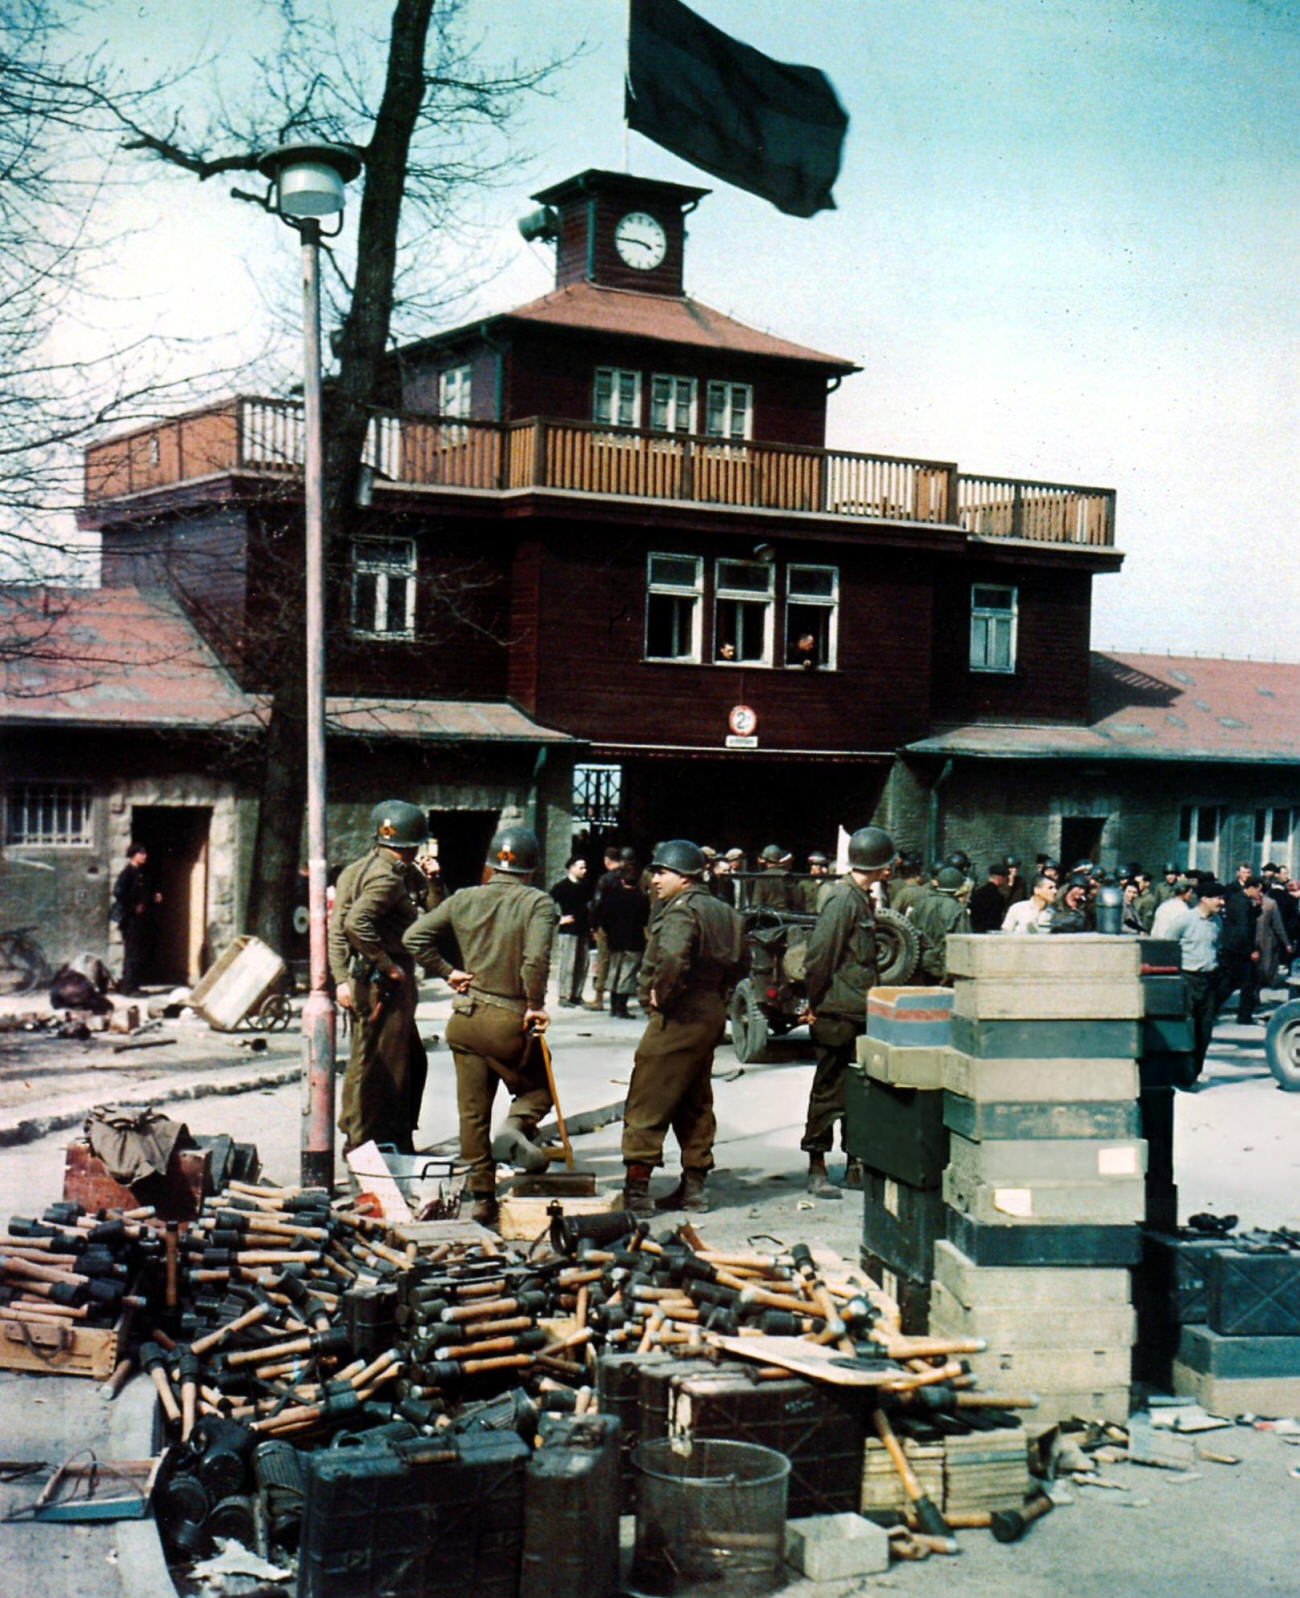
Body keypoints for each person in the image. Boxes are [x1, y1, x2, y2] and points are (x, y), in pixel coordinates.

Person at [404, 825, 558, 1226]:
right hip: (509, 1020)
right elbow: (535, 960)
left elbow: (415, 937)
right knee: (539, 1091)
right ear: (531, 868)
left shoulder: (464, 898)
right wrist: (535, 1005)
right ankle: (514, 1127)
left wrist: (447, 972)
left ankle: (483, 1199)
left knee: (471, 1114)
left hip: (466, 1019)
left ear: (491, 864)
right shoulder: (538, 903)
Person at [620, 840, 744, 1215]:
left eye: (662, 872)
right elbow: (741, 963)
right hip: (710, 1011)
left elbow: (672, 956)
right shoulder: (726, 912)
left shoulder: (680, 912)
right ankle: (694, 1190)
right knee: (694, 1099)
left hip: (679, 1012)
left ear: (685, 876)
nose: (654, 879)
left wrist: (662, 994)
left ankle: (637, 1192)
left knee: (648, 1096)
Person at [328, 800, 434, 1157]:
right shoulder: (387, 878)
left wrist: (341, 977)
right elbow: (352, 925)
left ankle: (391, 1135)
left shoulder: (363, 871)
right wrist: (386, 964)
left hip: (371, 977)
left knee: (407, 1060)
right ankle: (366, 1144)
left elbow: (434, 906)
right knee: (378, 1067)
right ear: (411, 843)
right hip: (382, 982)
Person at [800, 826, 894, 1197]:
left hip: (857, 1013)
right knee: (828, 1091)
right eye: (887, 864)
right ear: (876, 864)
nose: (891, 870)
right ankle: (817, 1165)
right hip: (837, 1014)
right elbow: (820, 956)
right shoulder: (843, 900)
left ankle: (855, 1162)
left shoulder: (861, 898)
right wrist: (814, 1001)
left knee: (859, 1091)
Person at [592, 850, 649, 1017]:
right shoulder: (641, 899)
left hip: (615, 940)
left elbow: (603, 915)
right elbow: (644, 920)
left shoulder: (613, 895)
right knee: (627, 973)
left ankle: (612, 1006)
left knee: (613, 971)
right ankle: (621, 1007)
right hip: (633, 941)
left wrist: (603, 930)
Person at [1179, 879, 1225, 1081]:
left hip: (1209, 980)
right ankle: (1184, 1074)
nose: (1222, 902)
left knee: (1205, 1030)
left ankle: (1194, 1073)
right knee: (1187, 1029)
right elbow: (1167, 943)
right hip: (1188, 979)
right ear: (1204, 899)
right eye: (1218, 898)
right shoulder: (1184, 920)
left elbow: (1218, 946)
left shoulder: (1217, 922)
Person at [112, 842, 162, 994]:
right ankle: (128, 987)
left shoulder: (142, 872)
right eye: (142, 853)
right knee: (132, 953)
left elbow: (144, 892)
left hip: (140, 919)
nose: (145, 856)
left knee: (138, 952)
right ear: (134, 855)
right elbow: (119, 893)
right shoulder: (127, 873)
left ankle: (133, 985)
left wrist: (154, 897)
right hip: (130, 919)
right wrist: (133, 906)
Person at [911, 865, 972, 979]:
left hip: (920, 965)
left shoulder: (920, 905)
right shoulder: (957, 909)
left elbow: (909, 932)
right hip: (946, 967)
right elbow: (963, 941)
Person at [1220, 877, 1263, 1024]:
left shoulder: (1237, 899)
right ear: (1252, 888)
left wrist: (1257, 908)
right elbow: (1244, 929)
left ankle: (1214, 1007)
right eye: (1259, 890)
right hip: (1241, 949)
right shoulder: (1242, 903)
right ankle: (1244, 1015)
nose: (1259, 893)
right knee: (1246, 982)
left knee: (1234, 981)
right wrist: (1252, 950)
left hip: (1233, 947)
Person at [549, 855, 590, 1007]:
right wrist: (558, 919)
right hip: (568, 930)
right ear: (571, 868)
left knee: (582, 963)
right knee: (568, 963)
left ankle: (576, 994)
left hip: (583, 929)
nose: (584, 871)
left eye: (585, 867)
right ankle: (564, 995)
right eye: (581, 867)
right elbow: (547, 905)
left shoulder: (586, 886)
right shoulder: (561, 887)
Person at [585, 844, 622, 1011]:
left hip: (606, 926)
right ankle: (619, 997)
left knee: (603, 960)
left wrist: (592, 925)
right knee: (620, 960)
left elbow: (597, 904)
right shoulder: (631, 877)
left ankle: (599, 997)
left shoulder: (605, 879)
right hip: (624, 925)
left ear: (607, 861)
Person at [750, 843, 800, 911]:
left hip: (768, 916)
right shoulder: (787, 875)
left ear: (766, 859)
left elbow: (756, 903)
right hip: (786, 915)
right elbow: (797, 899)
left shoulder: (761, 877)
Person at [968, 862, 1011, 934]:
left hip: (976, 930)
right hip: (991, 932)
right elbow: (996, 918)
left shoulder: (977, 893)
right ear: (1000, 878)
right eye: (1005, 878)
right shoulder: (997, 897)